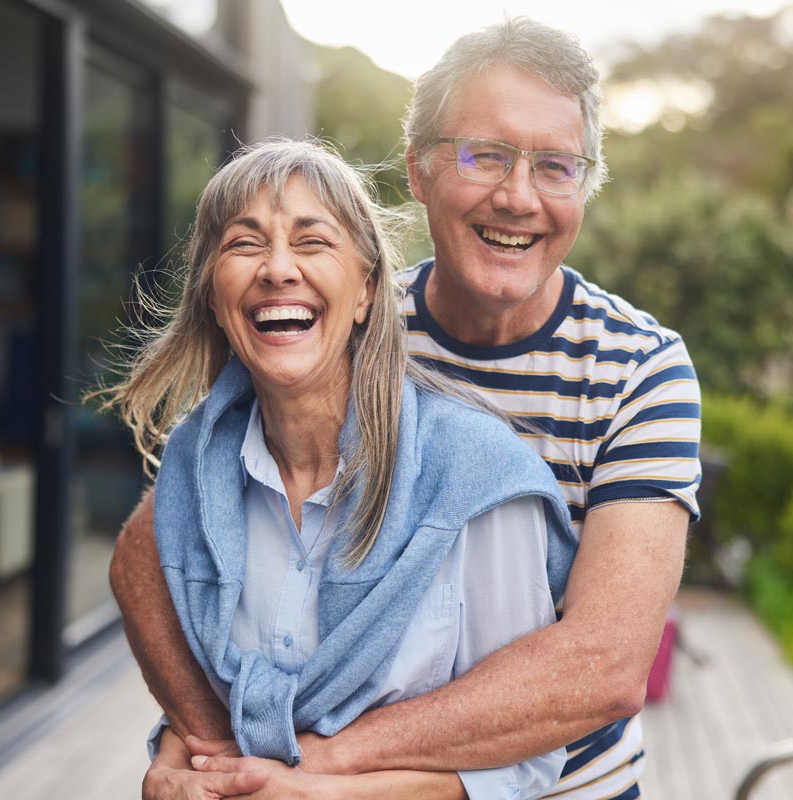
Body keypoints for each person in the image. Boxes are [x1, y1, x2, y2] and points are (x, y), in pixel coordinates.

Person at [110, 16, 701, 800]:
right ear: (418, 171)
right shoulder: (332, 317)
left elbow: (604, 665)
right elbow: (158, 544)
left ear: (583, 188)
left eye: (555, 166)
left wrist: (317, 762)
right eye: (484, 155)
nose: (517, 196)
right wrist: (206, 743)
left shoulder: (640, 369)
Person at [99, 135, 578, 799]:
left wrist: (325, 794)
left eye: (311, 241)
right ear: (214, 297)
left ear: (365, 293)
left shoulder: (473, 477)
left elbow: (526, 762)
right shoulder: (196, 472)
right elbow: (218, 696)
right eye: (244, 243)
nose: (276, 268)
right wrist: (176, 768)